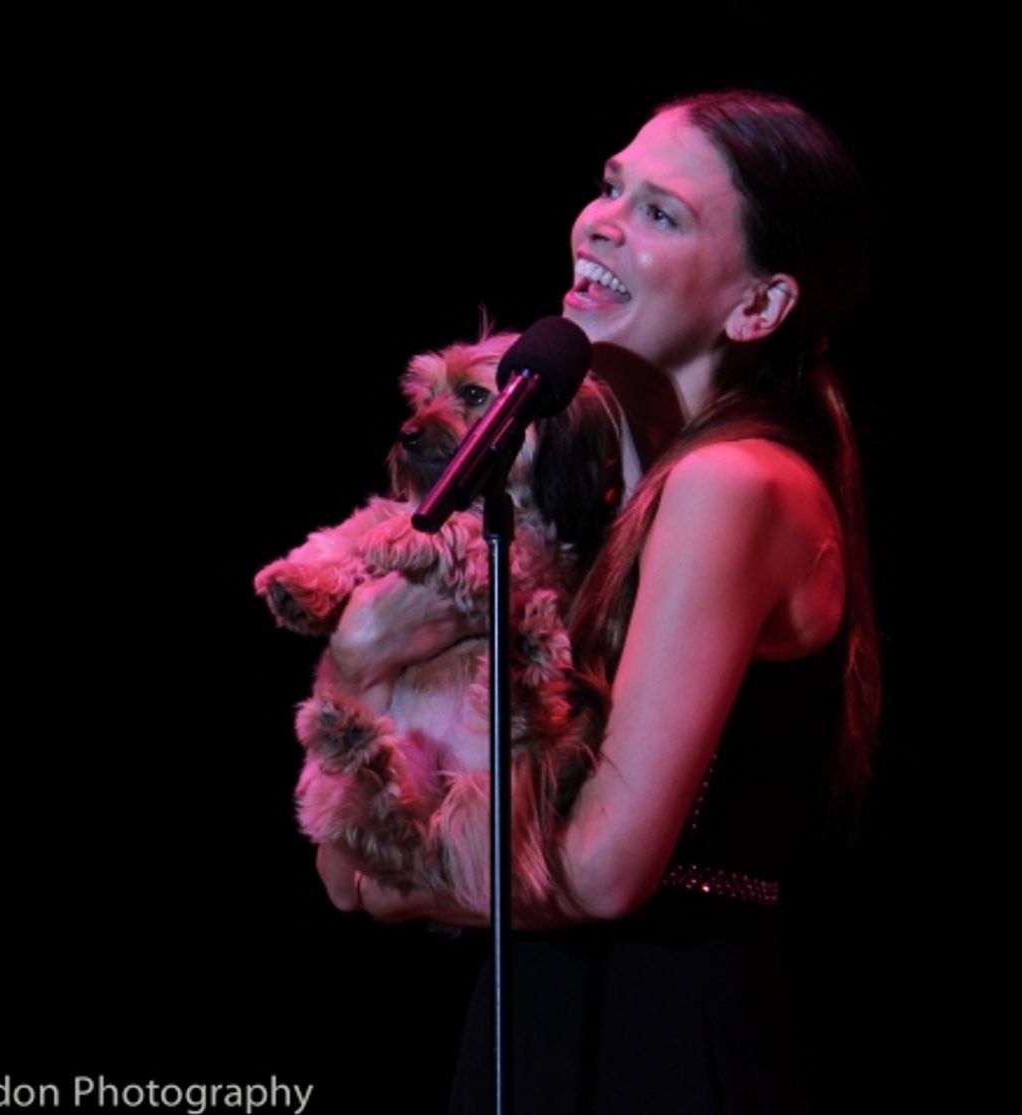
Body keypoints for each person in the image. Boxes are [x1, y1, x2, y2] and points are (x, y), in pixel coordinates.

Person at [313, 89, 880, 1113]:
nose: (600, 219)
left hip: (647, 1036)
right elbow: (343, 869)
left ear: (757, 306)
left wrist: (388, 877)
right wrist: (354, 666)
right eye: (610, 184)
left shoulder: (734, 483)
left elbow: (602, 871)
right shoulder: (604, 499)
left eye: (662, 212)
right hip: (537, 1014)